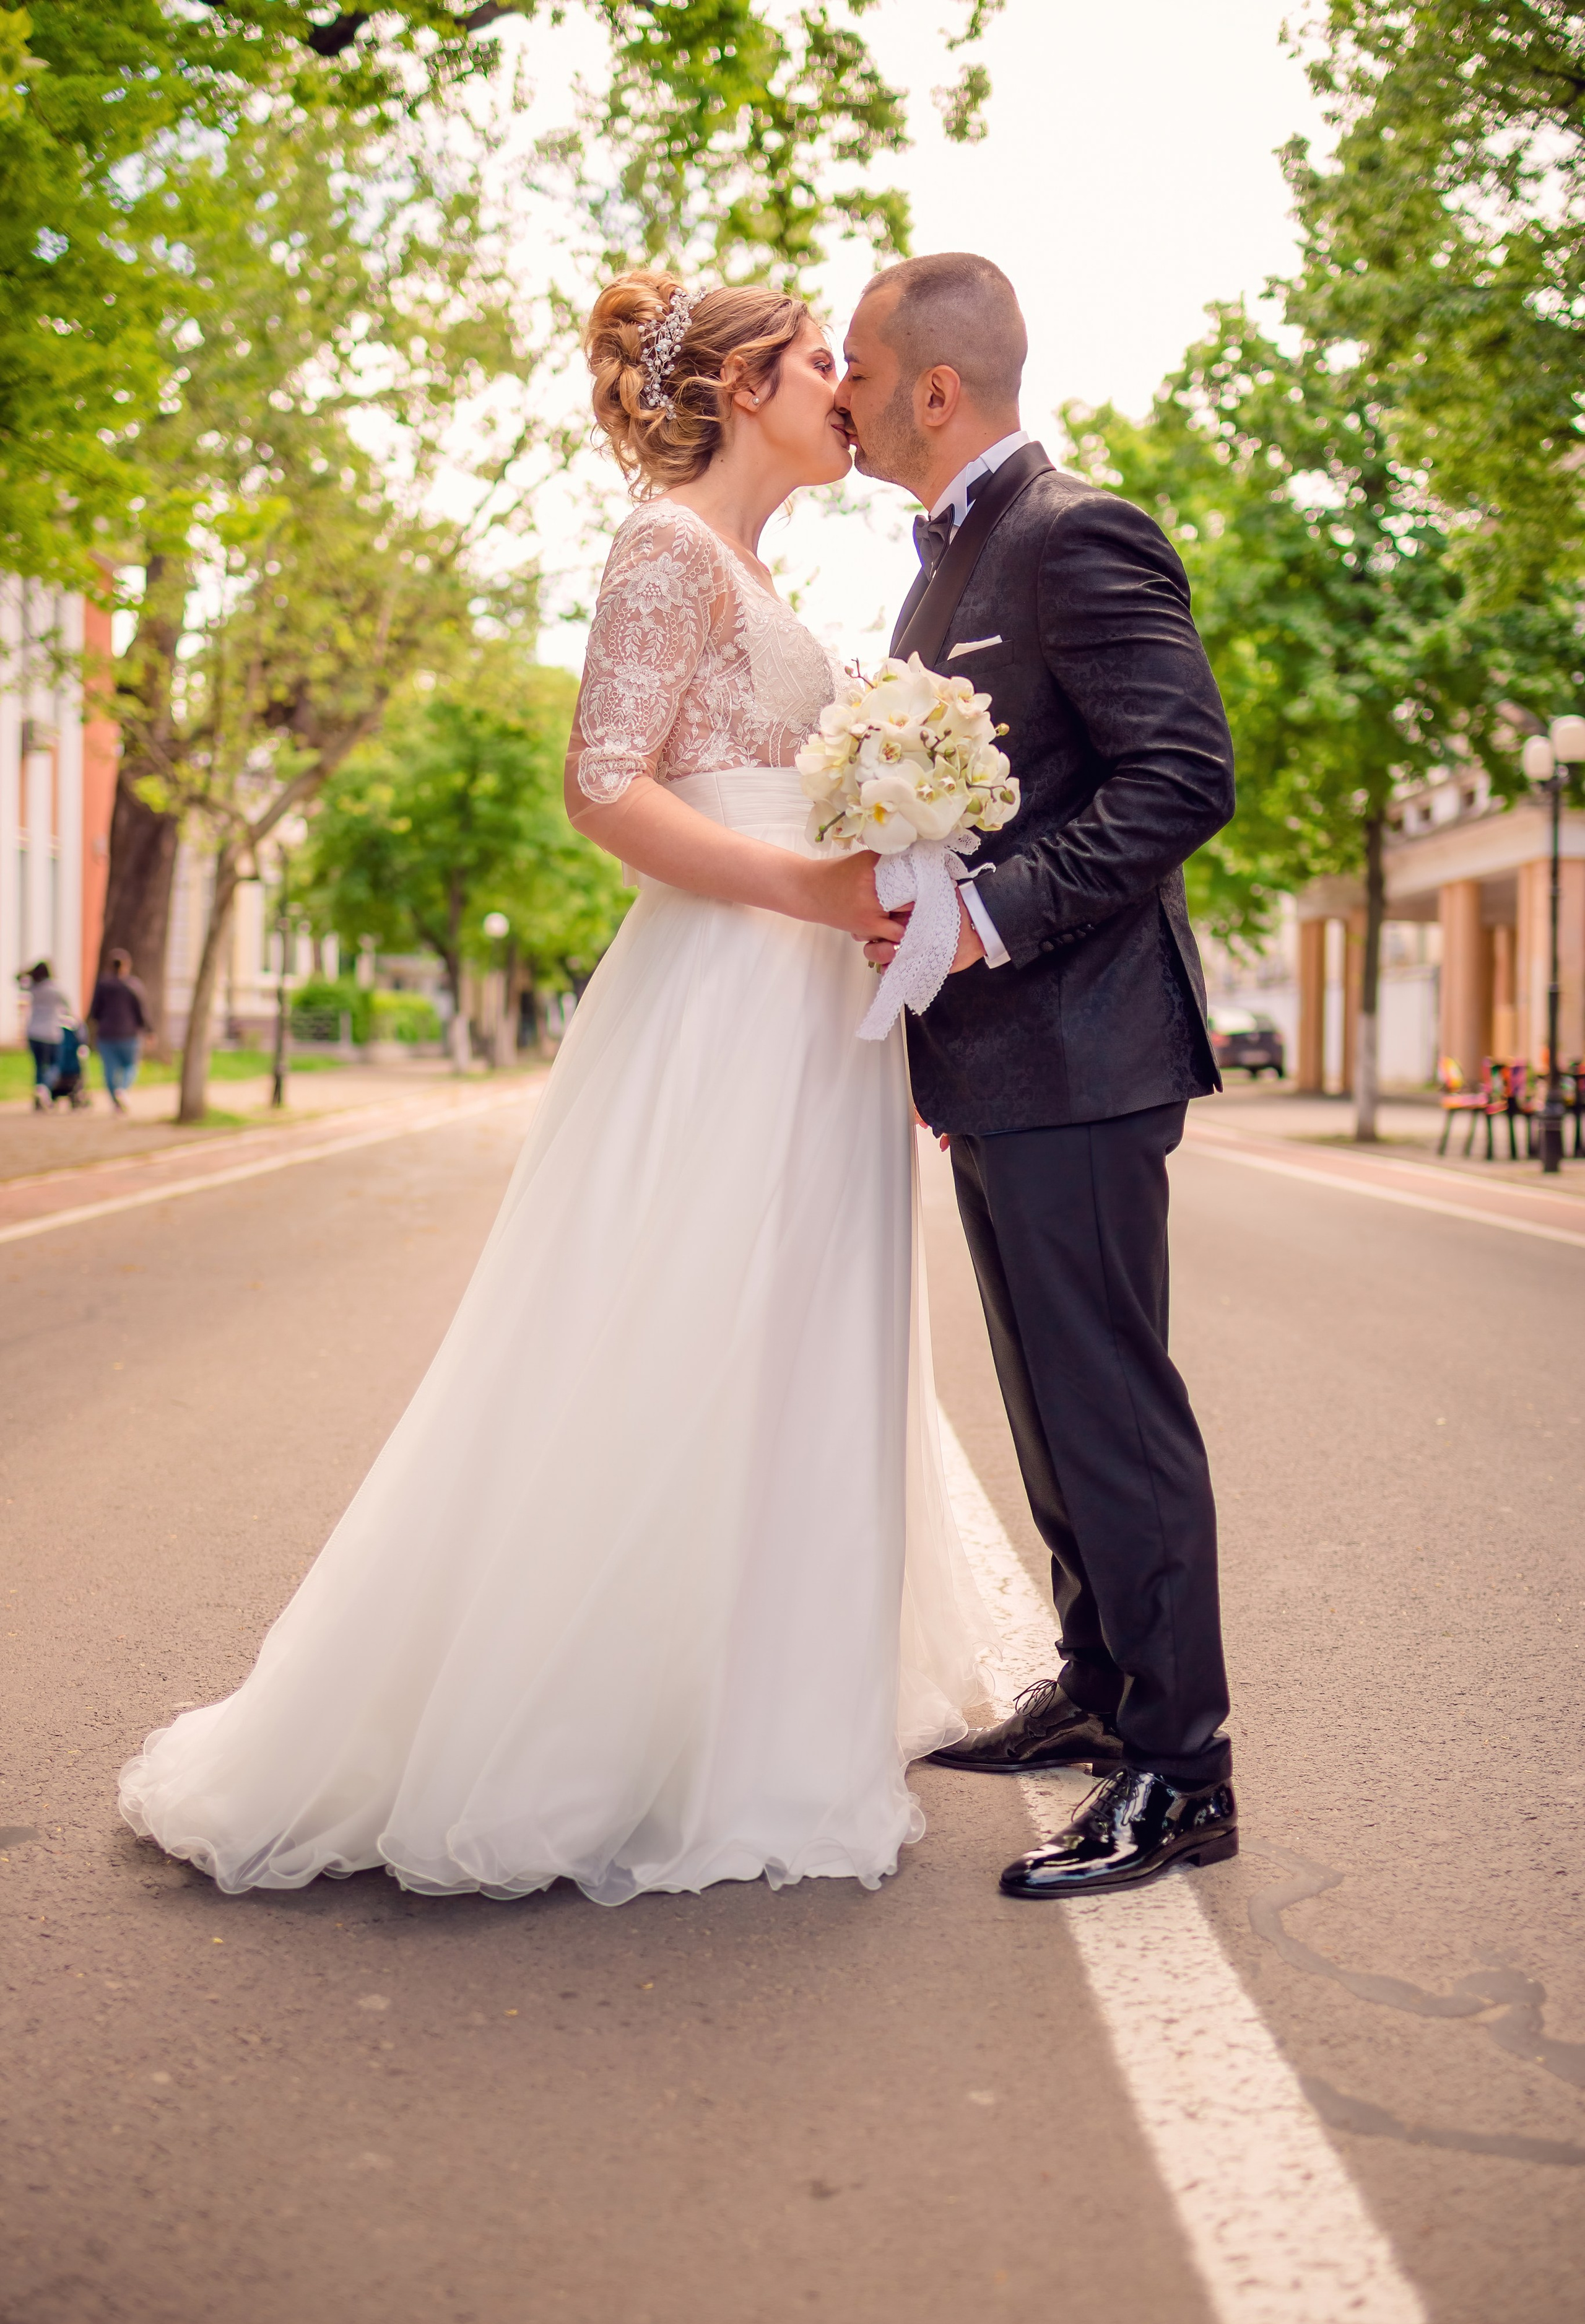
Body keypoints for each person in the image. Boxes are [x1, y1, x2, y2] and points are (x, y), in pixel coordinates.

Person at [118, 273, 992, 1905]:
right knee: (675, 1327)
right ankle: (601, 1731)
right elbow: (603, 785)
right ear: (745, 386)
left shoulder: (754, 564)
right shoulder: (667, 546)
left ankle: (762, 1705)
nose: (846, 384)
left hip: (815, 1007)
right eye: (821, 360)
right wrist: (809, 893)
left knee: (798, 1336)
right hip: (729, 993)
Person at [835, 253, 1240, 1900]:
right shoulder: (939, 569)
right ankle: (1097, 1681)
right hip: (994, 1064)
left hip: (1087, 1052)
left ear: (939, 390)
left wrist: (989, 922)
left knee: (1112, 1410)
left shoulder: (1077, 532)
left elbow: (1181, 777)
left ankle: (1184, 1771)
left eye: (858, 367)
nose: (842, 391)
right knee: (1048, 1410)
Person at [88, 949, 149, 1112]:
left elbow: (95, 1010)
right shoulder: (133, 985)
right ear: (127, 966)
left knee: (109, 1068)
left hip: (106, 1033)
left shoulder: (102, 985)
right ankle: (122, 1089)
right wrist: (148, 1030)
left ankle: (115, 1100)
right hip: (128, 1033)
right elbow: (141, 1011)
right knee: (131, 1065)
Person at [18, 960, 74, 1112]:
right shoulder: (56, 990)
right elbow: (68, 1009)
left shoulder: (34, 988)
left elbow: (17, 979)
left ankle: (39, 1094)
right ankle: (43, 1089)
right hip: (51, 1033)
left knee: (39, 1066)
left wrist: (28, 972)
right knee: (55, 1065)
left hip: (34, 1032)